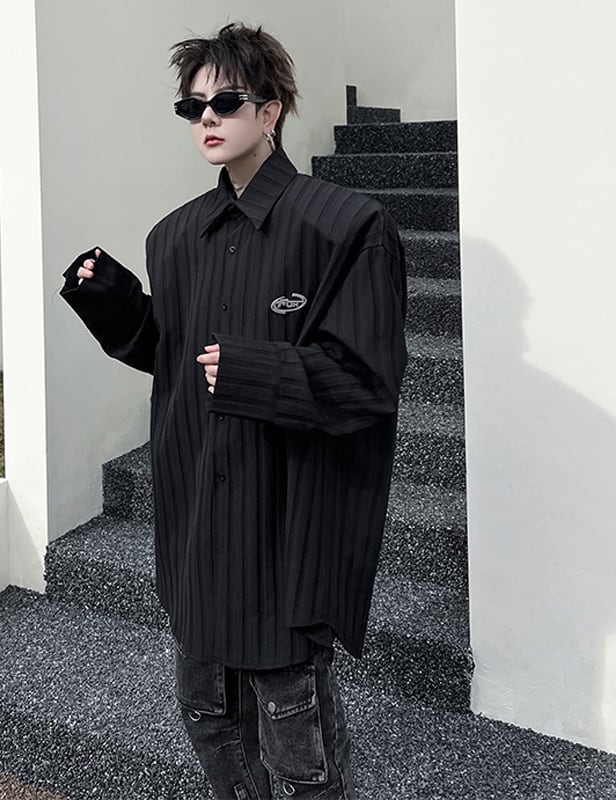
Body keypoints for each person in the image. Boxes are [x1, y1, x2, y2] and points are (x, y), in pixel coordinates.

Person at [60, 22, 407, 800]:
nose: (207, 118)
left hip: (283, 522)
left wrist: (256, 371)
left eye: (226, 102)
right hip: (197, 518)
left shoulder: (348, 227)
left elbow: (367, 379)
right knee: (207, 715)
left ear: (272, 110)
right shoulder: (175, 237)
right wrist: (117, 305)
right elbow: (175, 357)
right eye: (192, 107)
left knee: (299, 746)